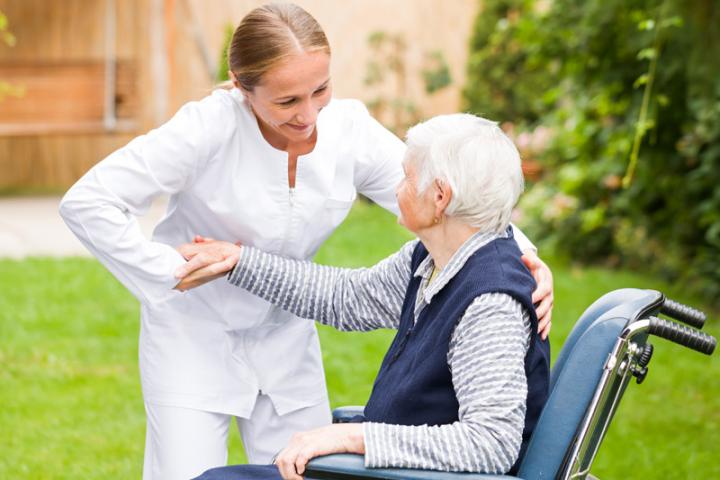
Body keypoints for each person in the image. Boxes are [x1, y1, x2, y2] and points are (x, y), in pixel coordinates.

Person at [59, 4, 553, 479]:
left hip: (285, 336)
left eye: (321, 90)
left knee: (309, 472)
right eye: (287, 101)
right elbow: (89, 201)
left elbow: (456, 195)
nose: (309, 113)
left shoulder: (348, 129)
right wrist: (168, 271)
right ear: (241, 88)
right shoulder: (207, 128)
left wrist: (523, 258)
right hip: (193, 334)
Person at [177, 113, 550, 480]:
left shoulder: (489, 306)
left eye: (407, 178)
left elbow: (491, 444)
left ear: (439, 197)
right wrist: (239, 260)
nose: (397, 189)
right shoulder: (434, 258)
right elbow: (347, 298)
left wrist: (353, 437)